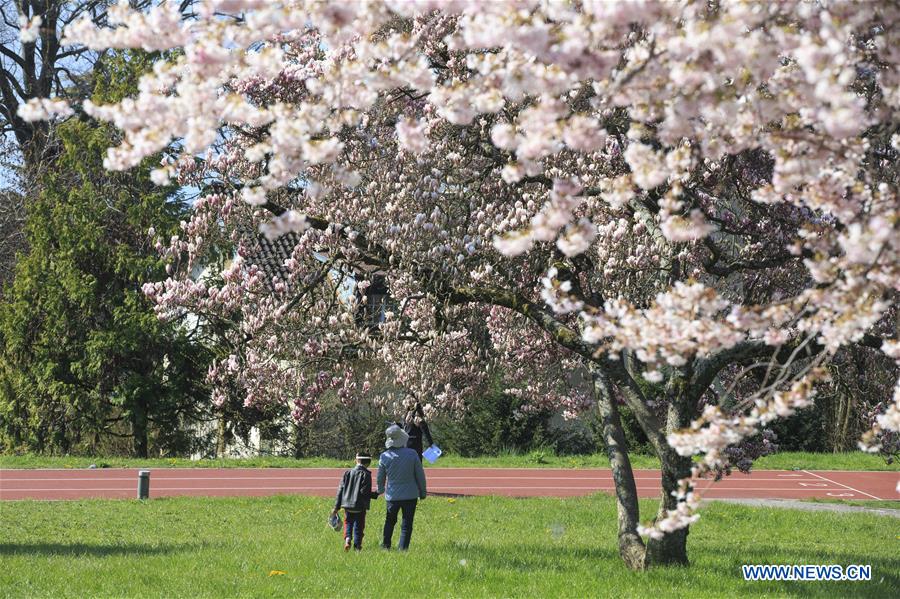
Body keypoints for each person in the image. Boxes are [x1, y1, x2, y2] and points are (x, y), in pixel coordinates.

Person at [377, 424, 427, 551]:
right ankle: (403, 548)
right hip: (410, 494)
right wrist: (422, 491)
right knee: (407, 524)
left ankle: (386, 546)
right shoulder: (412, 454)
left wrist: (381, 489)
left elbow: (380, 477)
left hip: (392, 495)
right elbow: (420, 474)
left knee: (389, 521)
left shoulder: (384, 456)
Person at [332, 453, 378, 551]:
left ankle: (348, 539)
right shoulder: (366, 474)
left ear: (356, 461)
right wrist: (375, 494)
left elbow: (340, 490)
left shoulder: (347, 473)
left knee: (348, 522)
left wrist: (336, 507)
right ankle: (357, 547)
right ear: (369, 463)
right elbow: (364, 492)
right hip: (359, 506)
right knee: (359, 526)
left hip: (347, 505)